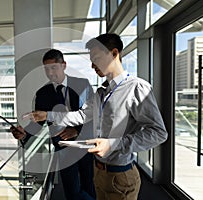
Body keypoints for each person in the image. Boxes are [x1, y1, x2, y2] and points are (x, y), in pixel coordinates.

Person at [24, 34, 168, 200]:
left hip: (121, 175)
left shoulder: (136, 88)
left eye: (97, 58)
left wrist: (113, 144)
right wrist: (47, 115)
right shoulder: (102, 92)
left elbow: (159, 132)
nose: (92, 65)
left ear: (114, 54)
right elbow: (81, 115)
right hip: (99, 171)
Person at [11, 49, 96, 200]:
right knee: (72, 191)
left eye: (54, 67)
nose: (50, 73)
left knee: (89, 185)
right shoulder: (43, 93)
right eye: (46, 69)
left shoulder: (82, 84)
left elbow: (93, 115)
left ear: (63, 65)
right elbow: (38, 122)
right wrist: (24, 133)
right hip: (63, 147)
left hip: (85, 145)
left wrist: (76, 130)